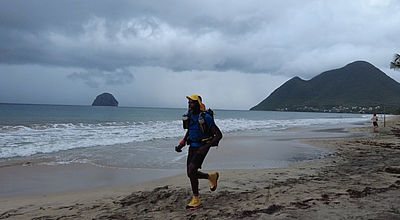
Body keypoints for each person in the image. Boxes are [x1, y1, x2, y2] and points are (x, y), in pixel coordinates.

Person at [175, 95, 223, 210]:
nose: (189, 104)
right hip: (192, 146)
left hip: (202, 146)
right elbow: (190, 131)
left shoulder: (206, 117)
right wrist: (182, 143)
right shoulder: (190, 115)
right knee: (190, 173)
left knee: (191, 170)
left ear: (198, 104)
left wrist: (206, 146)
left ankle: (196, 200)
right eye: (189, 102)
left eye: (192, 102)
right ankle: (211, 177)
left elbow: (219, 135)